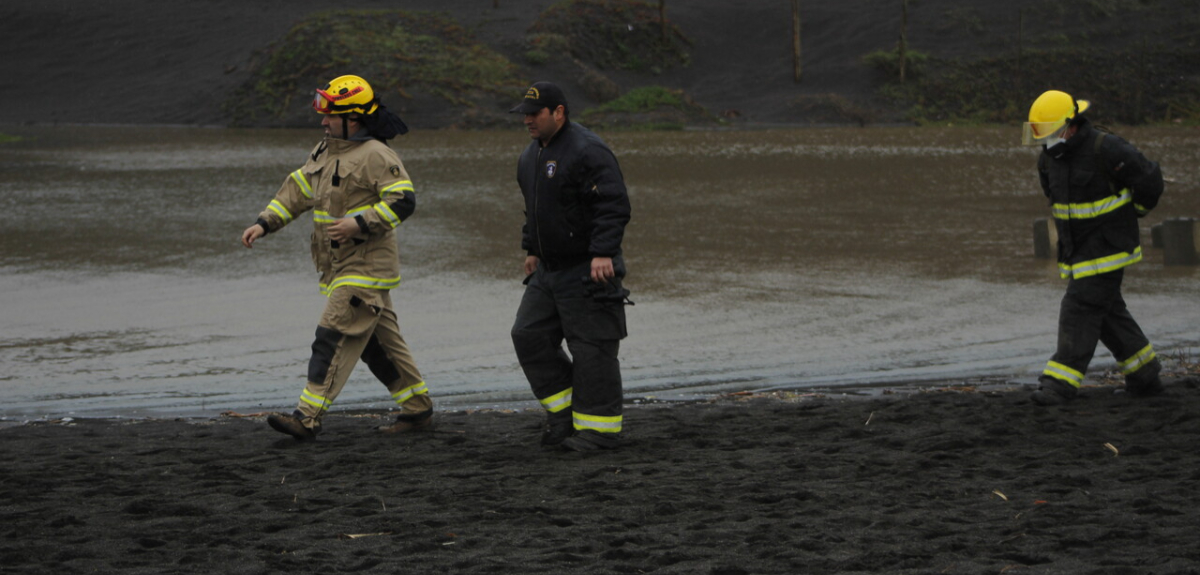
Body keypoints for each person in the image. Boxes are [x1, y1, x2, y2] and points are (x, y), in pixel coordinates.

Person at [240, 74, 433, 440]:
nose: (322, 121)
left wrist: (359, 223)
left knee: (331, 335)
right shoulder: (324, 150)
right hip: (338, 268)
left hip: (365, 269)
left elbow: (403, 201)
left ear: (354, 118)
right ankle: (418, 409)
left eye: (329, 115)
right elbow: (297, 190)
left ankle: (307, 416)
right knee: (379, 347)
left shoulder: (377, 154)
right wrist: (264, 223)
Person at [509, 82, 633, 451]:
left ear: (559, 112)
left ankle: (599, 431)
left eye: (535, 113)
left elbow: (613, 205)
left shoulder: (587, 150)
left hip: (589, 267)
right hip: (547, 269)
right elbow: (534, 210)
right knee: (527, 335)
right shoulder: (530, 156)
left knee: (592, 348)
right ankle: (565, 416)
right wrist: (531, 248)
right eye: (524, 114)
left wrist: (603, 253)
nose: (528, 120)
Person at [1022, 89, 1165, 406]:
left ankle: (1059, 383)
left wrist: (1135, 213)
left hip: (1110, 249)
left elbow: (1150, 180)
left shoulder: (1107, 147)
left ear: (1070, 125)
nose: (1044, 141)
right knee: (1109, 313)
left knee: (1079, 309)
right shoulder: (1048, 160)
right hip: (1078, 253)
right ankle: (1145, 376)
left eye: (1048, 133)